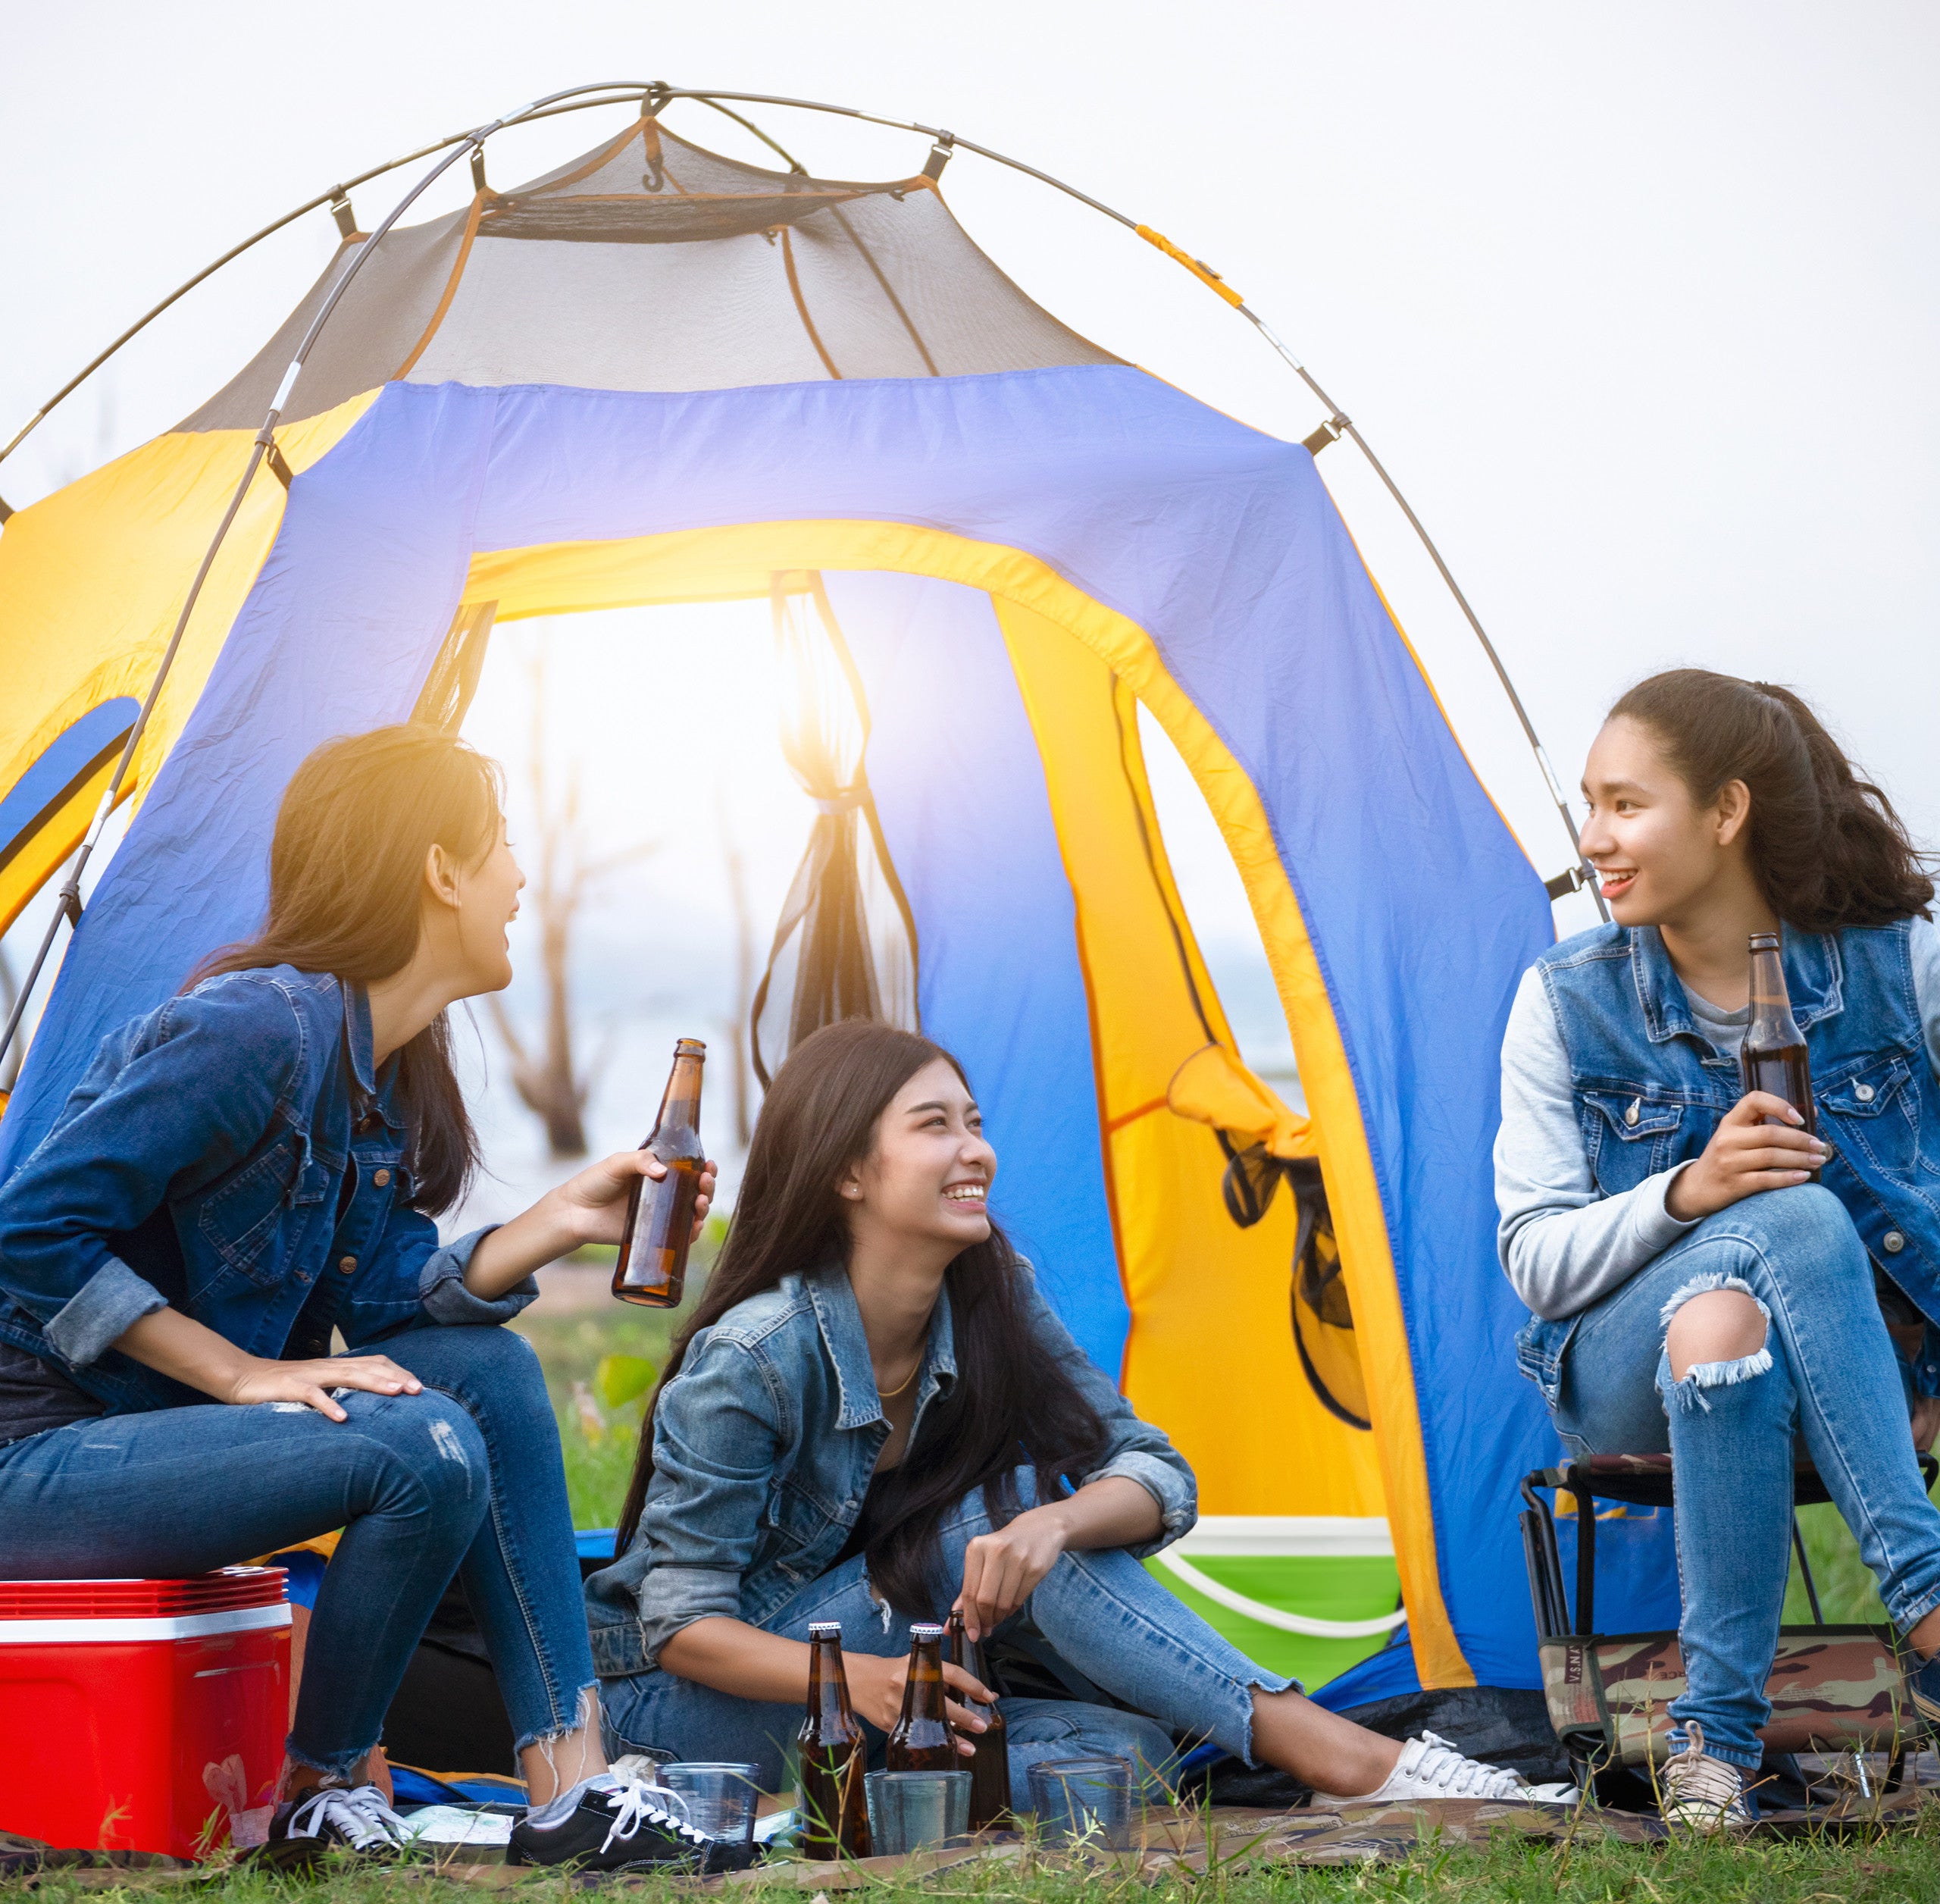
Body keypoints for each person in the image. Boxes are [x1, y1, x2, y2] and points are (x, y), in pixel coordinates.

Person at [0, 725, 740, 1874]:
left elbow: (395, 1299)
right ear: (438, 869)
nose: (520, 878)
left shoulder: (378, 1081)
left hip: (151, 1448)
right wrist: (247, 1375)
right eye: (501, 846)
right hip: (36, 1460)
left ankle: (571, 1782)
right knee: (425, 1447)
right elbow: (27, 1229)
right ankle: (324, 1781)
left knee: (483, 1377)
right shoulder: (254, 1030)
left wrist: (556, 1220)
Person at [590, 1018, 1575, 1810]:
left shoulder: (991, 1295)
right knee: (995, 1510)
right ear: (849, 1171)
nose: (975, 1148)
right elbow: (683, 1627)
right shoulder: (756, 1358)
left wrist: (1055, 1523)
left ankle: (887, 1791)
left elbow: (1156, 1475)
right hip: (685, 1712)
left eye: (973, 1121)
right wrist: (876, 1685)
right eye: (934, 1126)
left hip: (893, 1688)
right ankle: (1358, 1764)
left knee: (1124, 1759)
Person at [1498, 669, 1940, 1828]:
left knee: (1724, 1329)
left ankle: (1712, 1742)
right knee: (1790, 1220)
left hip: (1861, 1373)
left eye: (1626, 806)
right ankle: (1931, 1603)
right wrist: (1686, 1191)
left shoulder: (1897, 968)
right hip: (1616, 1376)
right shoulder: (1565, 1000)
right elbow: (1536, 1259)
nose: (1595, 839)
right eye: (1588, 807)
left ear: (1726, 812)